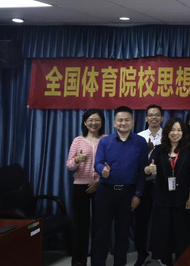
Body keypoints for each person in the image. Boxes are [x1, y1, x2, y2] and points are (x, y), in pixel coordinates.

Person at [92, 106, 148, 266]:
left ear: (133, 122)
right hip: (105, 192)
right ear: (114, 123)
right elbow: (98, 162)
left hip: (127, 193)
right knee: (101, 233)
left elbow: (142, 171)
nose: (123, 123)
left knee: (123, 233)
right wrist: (102, 170)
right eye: (120, 120)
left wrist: (138, 194)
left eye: (127, 120)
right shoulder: (105, 141)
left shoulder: (140, 142)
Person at [144, 118, 190, 266]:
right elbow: (147, 169)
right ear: (167, 132)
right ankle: (164, 259)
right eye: (172, 130)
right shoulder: (159, 149)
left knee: (182, 231)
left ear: (183, 133)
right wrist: (149, 169)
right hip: (162, 198)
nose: (175, 133)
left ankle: (182, 259)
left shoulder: (188, 150)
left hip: (182, 197)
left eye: (179, 130)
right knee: (163, 230)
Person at [66, 109, 107, 266]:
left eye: (97, 120)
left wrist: (99, 181)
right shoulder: (78, 141)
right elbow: (69, 165)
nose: (93, 123)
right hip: (80, 187)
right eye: (90, 120)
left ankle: (98, 261)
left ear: (102, 122)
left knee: (99, 226)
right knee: (80, 226)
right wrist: (77, 160)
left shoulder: (106, 140)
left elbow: (111, 165)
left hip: (101, 187)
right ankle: (78, 261)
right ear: (84, 122)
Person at [134, 104, 164, 266]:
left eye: (157, 115)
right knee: (141, 221)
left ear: (162, 118)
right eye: (150, 115)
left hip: (162, 184)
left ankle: (160, 253)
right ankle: (142, 253)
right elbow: (134, 161)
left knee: (161, 220)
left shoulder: (167, 135)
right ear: (146, 118)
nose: (154, 118)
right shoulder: (139, 137)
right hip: (143, 183)